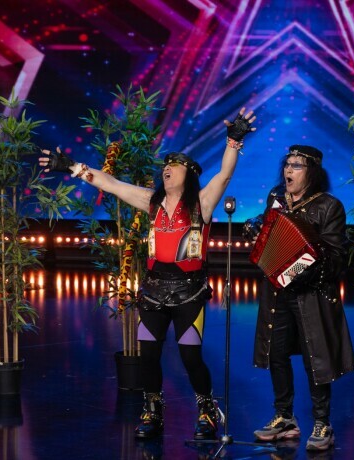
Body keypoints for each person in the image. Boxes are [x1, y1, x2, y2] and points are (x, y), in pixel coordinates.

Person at [39, 108, 257, 441]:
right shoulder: (151, 202)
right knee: (148, 356)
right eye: (165, 165)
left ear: (190, 173)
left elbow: (224, 175)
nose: (167, 168)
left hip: (189, 292)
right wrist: (71, 166)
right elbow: (111, 184)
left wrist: (234, 140)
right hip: (153, 291)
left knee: (190, 356)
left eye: (175, 165)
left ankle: (207, 410)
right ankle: (153, 411)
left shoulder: (201, 203)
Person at [242, 145, 354, 451]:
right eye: (287, 164)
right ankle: (284, 417)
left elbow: (336, 258)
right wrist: (255, 228)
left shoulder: (329, 206)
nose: (288, 171)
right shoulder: (276, 199)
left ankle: (322, 422)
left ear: (312, 173)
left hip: (311, 295)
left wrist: (303, 267)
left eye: (296, 166)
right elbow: (268, 233)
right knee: (276, 353)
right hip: (277, 291)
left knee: (314, 357)